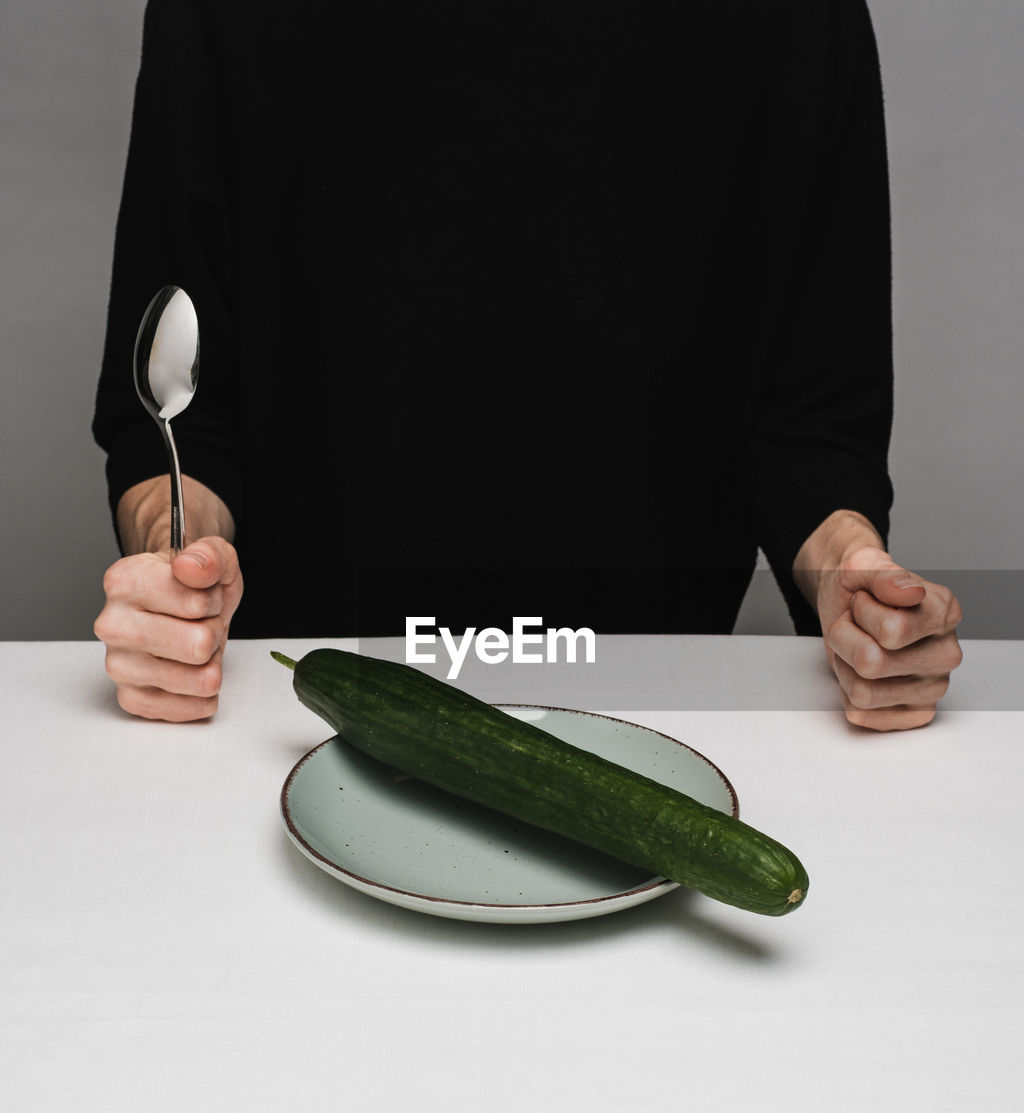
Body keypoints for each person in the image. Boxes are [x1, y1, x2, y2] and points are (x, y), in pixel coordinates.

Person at [92, 0, 962, 729]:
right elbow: (172, 419)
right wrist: (178, 574)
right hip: (293, 712)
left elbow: (811, 435)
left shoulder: (800, 22)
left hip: (650, 724)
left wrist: (858, 582)